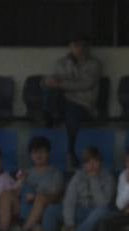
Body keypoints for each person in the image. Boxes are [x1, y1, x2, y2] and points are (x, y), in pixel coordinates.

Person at [43, 36, 102, 165]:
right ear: (70, 46)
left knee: (72, 109)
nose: (80, 48)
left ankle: (70, 151)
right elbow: (54, 80)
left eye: (83, 45)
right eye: (76, 45)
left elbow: (86, 84)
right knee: (49, 88)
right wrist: (49, 81)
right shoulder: (61, 63)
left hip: (84, 103)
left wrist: (62, 84)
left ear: (87, 47)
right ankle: (49, 115)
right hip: (64, 100)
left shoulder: (94, 64)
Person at [61, 146, 115, 231]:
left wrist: (93, 179)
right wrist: (70, 223)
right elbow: (70, 200)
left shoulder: (108, 178)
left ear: (100, 162)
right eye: (88, 162)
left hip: (98, 212)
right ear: (84, 165)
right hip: (81, 210)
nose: (92, 165)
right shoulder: (78, 176)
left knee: (101, 211)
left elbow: (103, 204)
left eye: (95, 161)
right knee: (52, 210)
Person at [19, 135, 65, 231]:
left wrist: (35, 197)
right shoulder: (26, 173)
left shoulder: (55, 173)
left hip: (46, 205)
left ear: (48, 153)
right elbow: (19, 192)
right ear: (30, 155)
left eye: (42, 152)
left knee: (40, 198)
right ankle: (32, 226)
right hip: (27, 207)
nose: (38, 155)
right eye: (35, 152)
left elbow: (55, 195)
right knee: (8, 194)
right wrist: (20, 182)